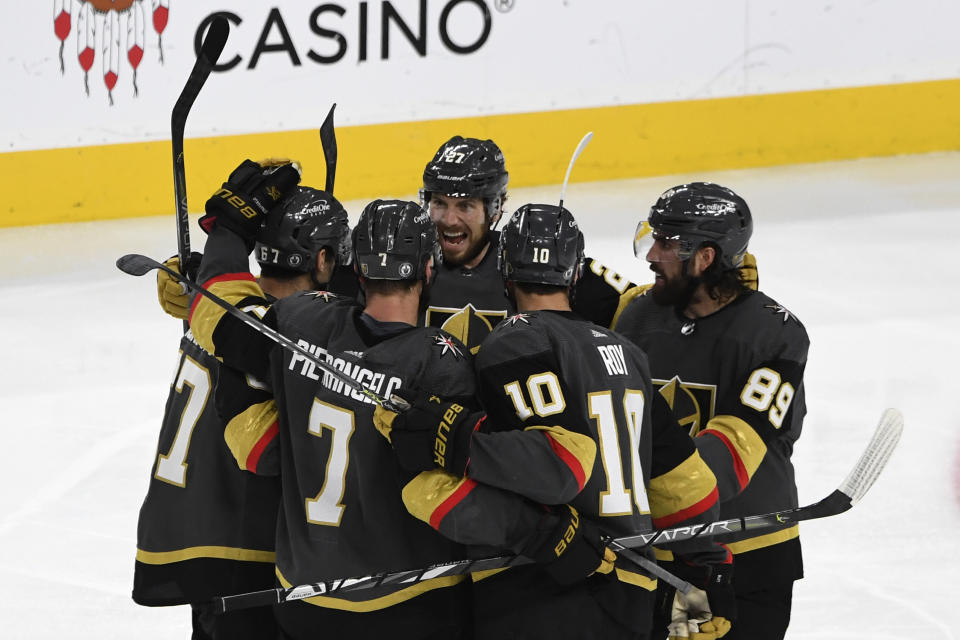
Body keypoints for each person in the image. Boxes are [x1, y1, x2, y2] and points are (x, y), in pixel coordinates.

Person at [378, 203, 732, 640]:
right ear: (574, 274)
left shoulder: (512, 342)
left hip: (533, 591)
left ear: (505, 269)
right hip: (632, 596)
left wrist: (450, 437)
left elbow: (554, 467)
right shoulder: (627, 354)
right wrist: (700, 572)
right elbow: (690, 491)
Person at [187, 160, 476, 639]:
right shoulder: (440, 360)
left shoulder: (303, 323)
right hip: (409, 600)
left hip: (305, 602)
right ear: (429, 267)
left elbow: (220, 317)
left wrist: (228, 230)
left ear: (355, 267)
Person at [132, 180, 353, 639]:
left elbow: (227, 293)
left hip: (188, 522)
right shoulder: (278, 330)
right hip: (240, 540)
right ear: (323, 259)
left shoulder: (216, 304)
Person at [612, 182, 808, 640]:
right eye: (652, 238)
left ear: (704, 259)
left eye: (667, 244)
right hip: (664, 554)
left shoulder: (775, 335)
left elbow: (727, 464)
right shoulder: (637, 313)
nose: (651, 254)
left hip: (747, 556)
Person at [420, 136, 635, 352]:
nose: (449, 220)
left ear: (495, 209)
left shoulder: (532, 257)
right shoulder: (408, 260)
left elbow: (636, 303)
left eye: (465, 206)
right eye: (439, 203)